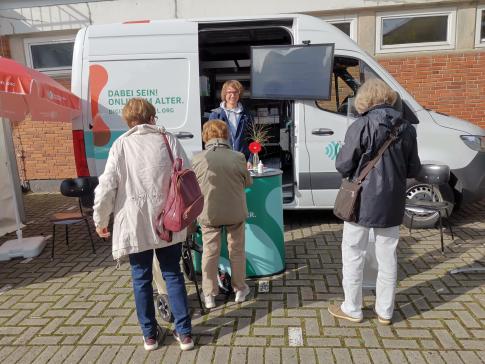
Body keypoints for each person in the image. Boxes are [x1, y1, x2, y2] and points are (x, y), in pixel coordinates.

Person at [93, 98, 194, 351]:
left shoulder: (121, 145)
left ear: (129, 121)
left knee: (141, 278)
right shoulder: (167, 139)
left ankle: (149, 336)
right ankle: (185, 334)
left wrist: (100, 220)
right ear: (151, 117)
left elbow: (106, 187)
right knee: (172, 274)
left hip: (135, 222)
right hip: (167, 220)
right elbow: (187, 173)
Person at [329, 78, 421, 325]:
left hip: (360, 201)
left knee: (353, 253)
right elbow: (414, 168)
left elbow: (343, 165)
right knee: (388, 256)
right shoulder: (408, 128)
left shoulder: (361, 125)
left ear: (364, 100)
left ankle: (353, 308)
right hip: (392, 200)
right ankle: (385, 311)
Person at [192, 120, 253, 308]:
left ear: (206, 136)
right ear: (226, 135)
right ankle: (240, 289)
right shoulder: (238, 157)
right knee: (237, 250)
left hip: (209, 213)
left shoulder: (198, 159)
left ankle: (209, 294)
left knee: (210, 252)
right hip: (235, 212)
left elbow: (194, 187)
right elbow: (248, 183)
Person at [208, 80, 253, 167]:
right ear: (224, 94)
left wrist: (250, 160)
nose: (233, 95)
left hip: (242, 161)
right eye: (229, 92)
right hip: (222, 162)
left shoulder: (246, 115)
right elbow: (210, 140)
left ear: (239, 94)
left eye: (236, 92)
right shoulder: (215, 114)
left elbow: (253, 140)